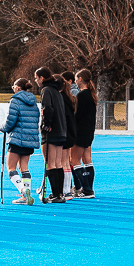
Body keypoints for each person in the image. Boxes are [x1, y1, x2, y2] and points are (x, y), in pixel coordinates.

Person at [1, 77, 41, 205]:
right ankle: (26, 194)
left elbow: (10, 119)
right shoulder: (33, 101)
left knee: (11, 168)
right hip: (30, 138)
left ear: (18, 88)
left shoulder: (15, 100)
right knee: (24, 167)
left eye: (13, 86)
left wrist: (3, 128)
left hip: (17, 138)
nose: (13, 88)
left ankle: (23, 191)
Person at [36, 67, 72, 203]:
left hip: (52, 131)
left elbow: (48, 109)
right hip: (61, 130)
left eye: (36, 78)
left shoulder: (46, 90)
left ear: (42, 78)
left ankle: (56, 194)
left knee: (50, 163)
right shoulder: (57, 91)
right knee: (58, 163)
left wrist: (46, 125)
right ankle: (59, 194)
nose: (36, 80)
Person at [71, 68, 98, 197]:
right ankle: (89, 188)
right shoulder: (91, 95)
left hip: (80, 131)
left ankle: (86, 189)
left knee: (74, 160)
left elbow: (78, 115)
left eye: (76, 79)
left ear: (80, 79)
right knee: (87, 160)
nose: (75, 81)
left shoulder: (81, 95)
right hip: (89, 131)